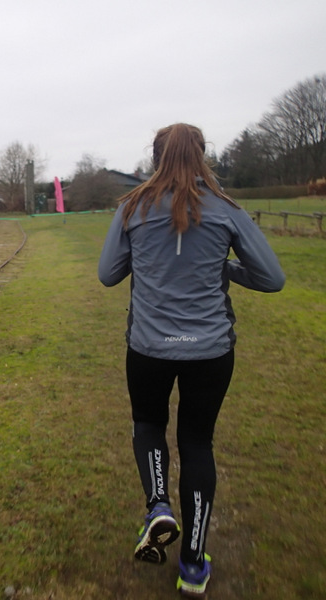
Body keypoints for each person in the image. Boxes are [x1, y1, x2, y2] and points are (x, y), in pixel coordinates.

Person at [97, 123, 285, 598]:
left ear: (156, 156)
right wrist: (221, 265)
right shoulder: (227, 209)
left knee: (148, 426)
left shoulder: (131, 208)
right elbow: (271, 278)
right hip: (211, 350)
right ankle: (194, 565)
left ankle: (158, 505)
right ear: (203, 155)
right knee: (198, 444)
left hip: (148, 348)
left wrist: (147, 259)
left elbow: (107, 275)